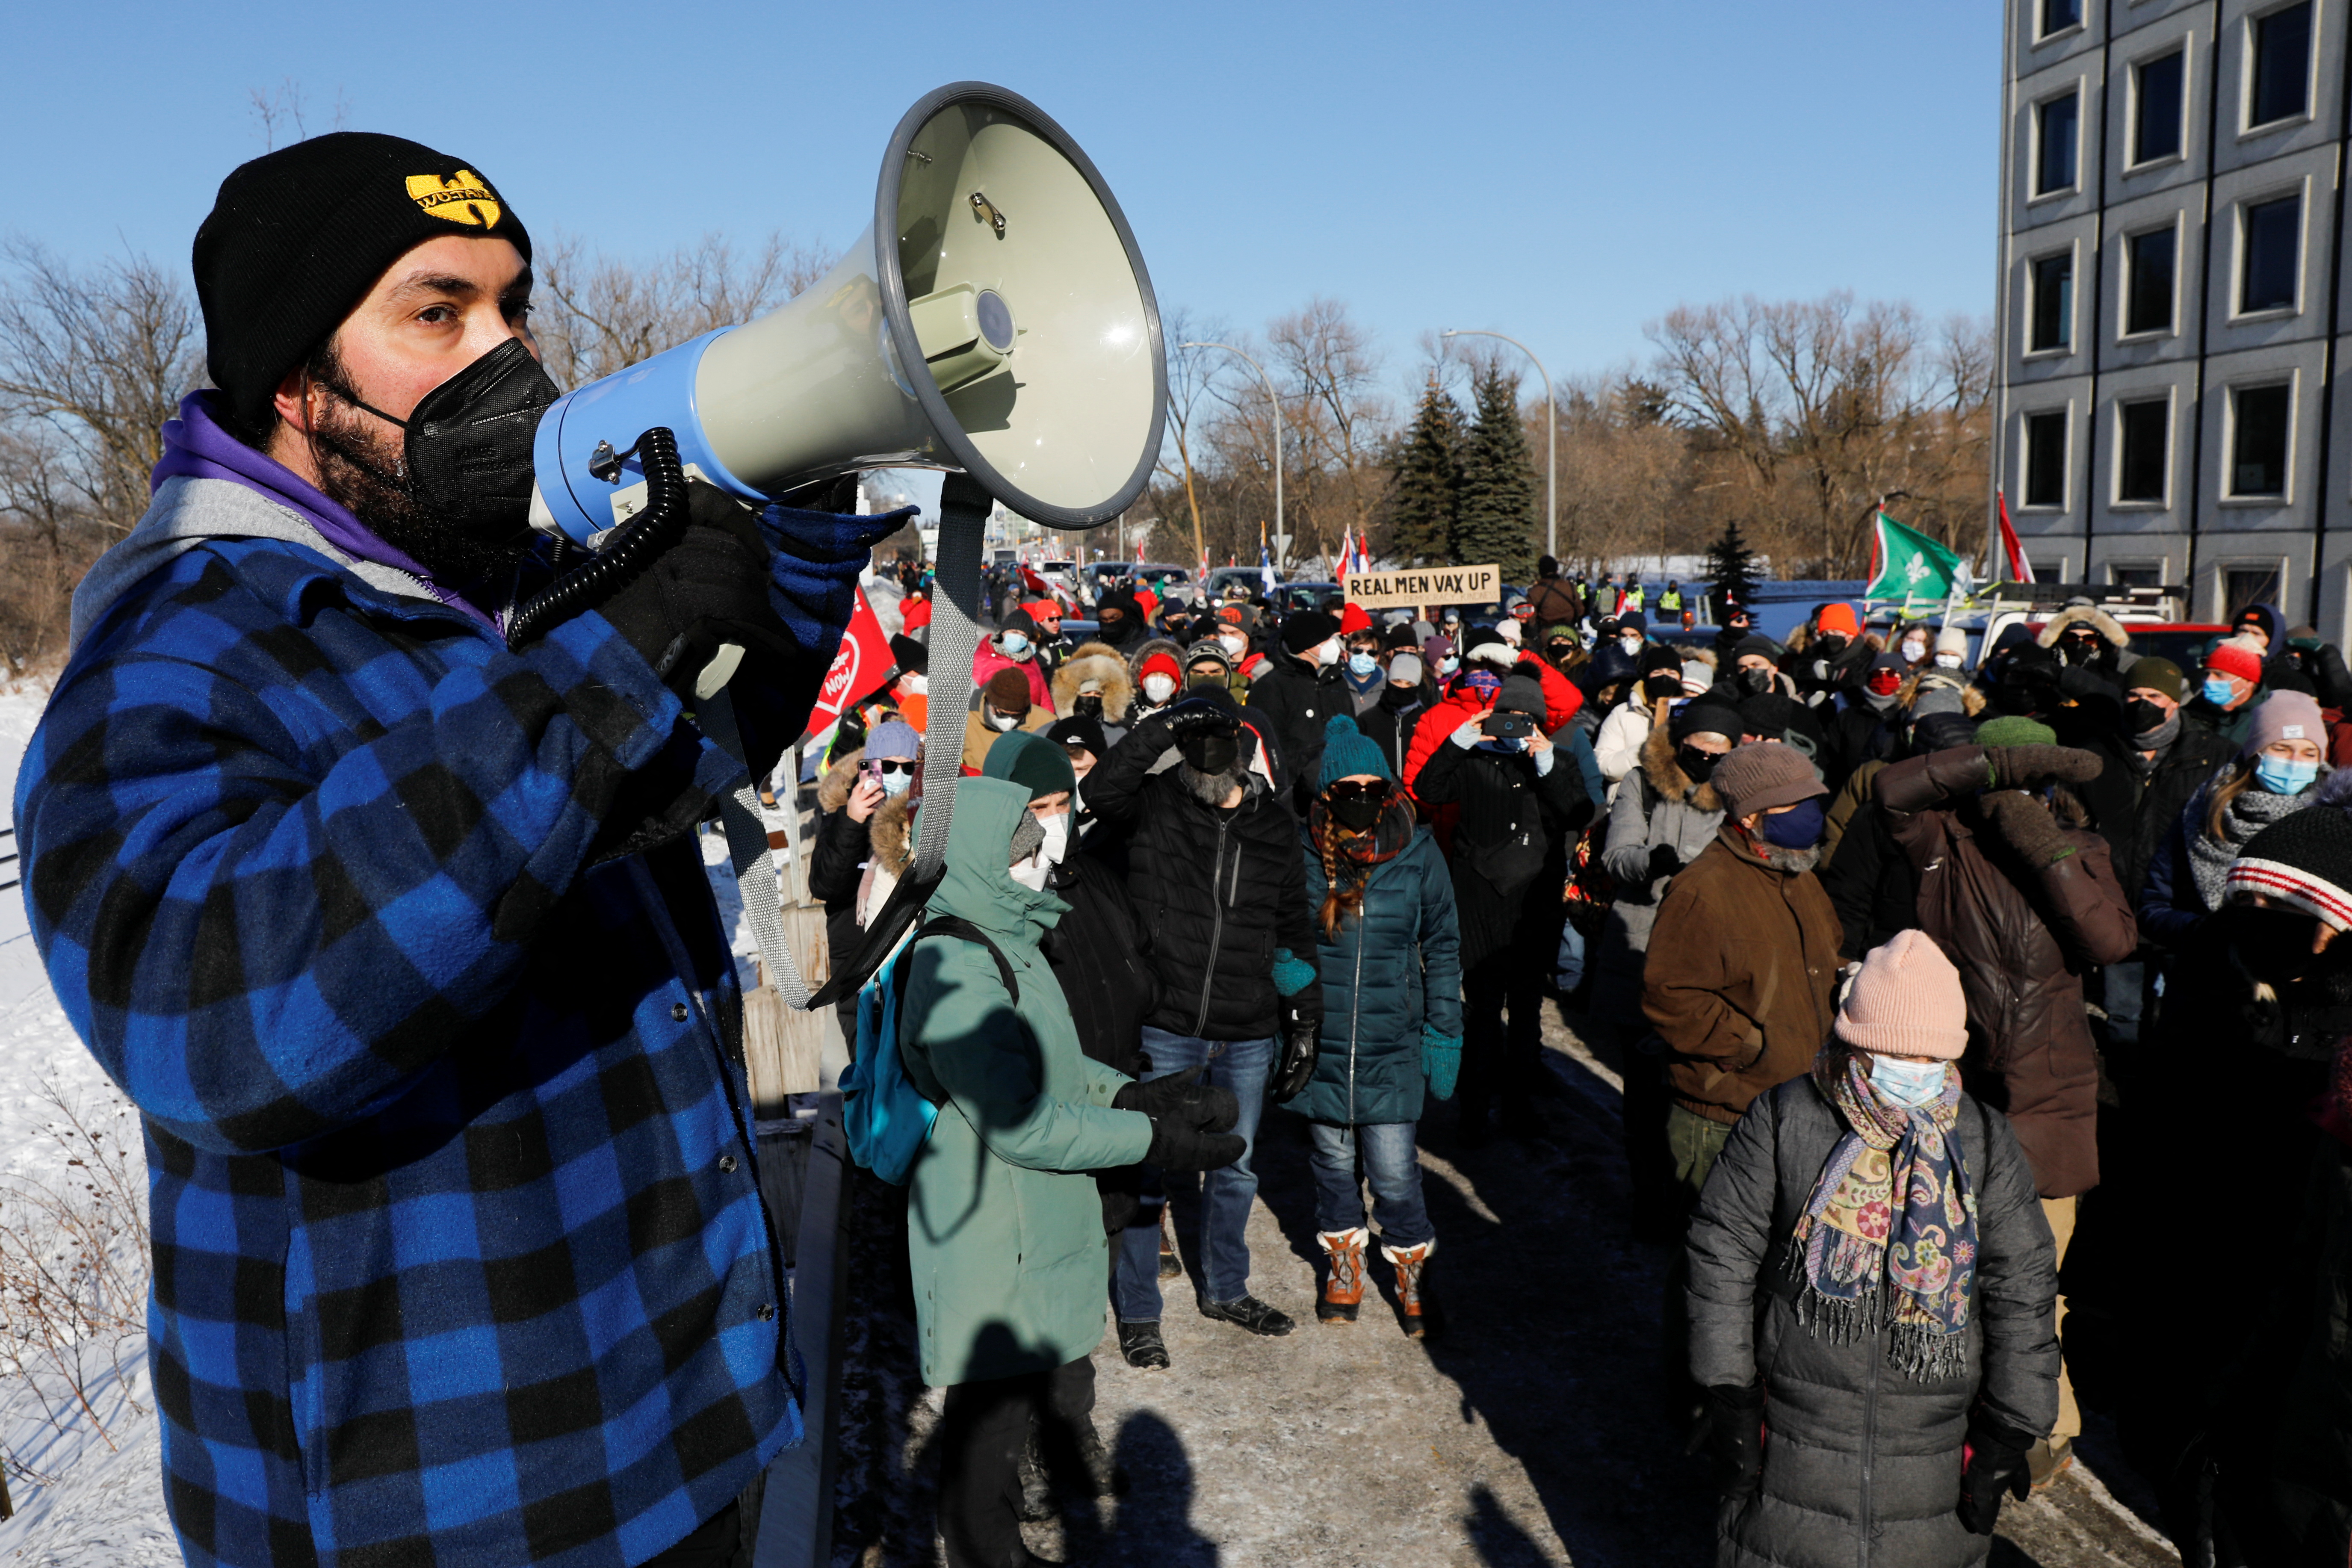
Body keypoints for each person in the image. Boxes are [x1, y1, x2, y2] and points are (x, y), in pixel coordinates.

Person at [15, 134, 919, 1565]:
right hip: (455, 1498)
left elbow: (675, 769)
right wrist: (586, 670)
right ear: (296, 383)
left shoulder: (490, 598)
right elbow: (219, 1020)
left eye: (515, 309)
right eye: (438, 313)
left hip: (676, 1429)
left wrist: (787, 526)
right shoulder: (176, 654)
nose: (505, 355)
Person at [900, 765, 1243, 1568]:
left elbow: (1059, 1069)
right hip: (990, 1222)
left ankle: (998, 1545)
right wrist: (1150, 1140)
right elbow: (1022, 1120)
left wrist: (1142, 1097)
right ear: (983, 859)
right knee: (987, 1417)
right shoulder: (954, 965)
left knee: (1011, 1404)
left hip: (1024, 1214)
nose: (1040, 859)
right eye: (1022, 848)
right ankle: (987, 1556)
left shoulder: (1008, 942)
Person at [1687, 931, 2060, 1565]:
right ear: (1856, 1041)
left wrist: (2012, 1422)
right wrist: (1728, 1391)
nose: (1910, 1071)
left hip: (1934, 1460)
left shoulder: (1985, 1139)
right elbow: (1721, 1252)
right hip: (1795, 1438)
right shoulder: (1786, 1117)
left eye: (1927, 1058)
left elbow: (2023, 1285)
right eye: (1892, 1052)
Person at [1875, 718, 2137, 1480]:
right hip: (1951, 1094)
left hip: (2049, 1103)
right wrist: (1993, 767)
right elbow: (1892, 789)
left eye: (2028, 780)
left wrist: (2042, 842)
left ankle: (2043, 1430)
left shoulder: (2082, 852)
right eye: (2000, 777)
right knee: (1939, 1274)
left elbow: (2111, 944)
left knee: (2031, 1285)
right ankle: (1943, 1414)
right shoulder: (1943, 848)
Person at [1083, 693, 1324, 1360]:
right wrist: (1161, 726)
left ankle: (1225, 1286)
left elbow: (1294, 928)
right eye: (1190, 755)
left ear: (1244, 758)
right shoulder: (1157, 803)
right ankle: (1138, 1311)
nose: (1199, 770)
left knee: (1236, 1167)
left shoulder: (1274, 824)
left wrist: (1305, 1017)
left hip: (1247, 1026)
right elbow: (1103, 790)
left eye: (1212, 754)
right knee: (1149, 1162)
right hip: (1167, 1021)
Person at [1296, 717, 1463, 1337]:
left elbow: (1443, 945)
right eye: (1348, 785)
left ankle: (1411, 1267)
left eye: (1374, 783)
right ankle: (1344, 1261)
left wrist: (1445, 1030)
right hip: (1323, 1041)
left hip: (1393, 1041)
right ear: (1326, 794)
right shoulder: (1305, 853)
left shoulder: (1419, 853)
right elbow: (1280, 935)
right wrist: (1286, 983)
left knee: (1395, 1172)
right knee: (1332, 1166)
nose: (1362, 795)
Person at [1643, 741, 1841, 1202]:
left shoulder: (1801, 876)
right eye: (1796, 805)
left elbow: (1823, 955)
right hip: (1724, 1118)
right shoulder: (1702, 890)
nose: (1811, 815)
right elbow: (1670, 996)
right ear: (1750, 816)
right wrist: (1752, 1046)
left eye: (1814, 802)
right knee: (1709, 1265)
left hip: (1801, 1101)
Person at [1414, 673, 1600, 1141]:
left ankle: (1519, 1105)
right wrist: (1461, 739)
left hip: (1533, 903)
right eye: (1509, 718)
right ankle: (1473, 1109)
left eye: (1528, 720)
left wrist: (1544, 763)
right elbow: (1429, 789)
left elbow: (1578, 812)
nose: (1517, 727)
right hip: (1479, 898)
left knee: (1525, 1008)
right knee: (1480, 1009)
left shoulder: (1555, 761)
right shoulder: (1473, 759)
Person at [1596, 699, 1739, 1236]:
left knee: (1699, 1085)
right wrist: (1650, 862)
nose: (1702, 760)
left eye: (1714, 754)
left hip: (1711, 953)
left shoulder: (1738, 787)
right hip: (1643, 944)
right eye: (1694, 751)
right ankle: (1649, 1198)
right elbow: (1618, 855)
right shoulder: (1642, 781)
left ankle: (1697, 1195)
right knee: (1643, 1094)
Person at [2140, 690, 2332, 953]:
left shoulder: (2337, 819)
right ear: (2255, 752)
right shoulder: (2204, 810)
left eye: (2309, 754)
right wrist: (2207, 930)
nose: (2294, 763)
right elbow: (2155, 906)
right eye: (2282, 749)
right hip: (2211, 976)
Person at [811, 718, 923, 1035]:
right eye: (888, 767)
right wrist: (852, 820)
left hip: (912, 952)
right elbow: (824, 885)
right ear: (869, 768)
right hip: (855, 956)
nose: (898, 776)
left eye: (908, 767)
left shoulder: (923, 815)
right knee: (866, 1054)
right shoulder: (842, 814)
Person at [1246, 608, 1347, 807]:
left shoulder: (1337, 681)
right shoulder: (1271, 687)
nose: (1334, 645)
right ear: (1308, 645)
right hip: (1294, 796)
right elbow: (1270, 749)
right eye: (1327, 640)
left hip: (1340, 790)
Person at [1357, 648, 1434, 782]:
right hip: (1379, 792)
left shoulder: (1426, 719)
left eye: (1409, 683)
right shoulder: (1367, 720)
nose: (1402, 687)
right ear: (1389, 681)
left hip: (1418, 793)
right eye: (1397, 681)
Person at [963, 665, 1055, 774]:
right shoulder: (965, 723)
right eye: (1002, 714)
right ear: (989, 702)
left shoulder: (1046, 723)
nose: (1010, 721)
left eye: (1017, 715)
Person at [1049, 639, 1135, 744]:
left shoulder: (1118, 735)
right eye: (1086, 693)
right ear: (1072, 696)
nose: (1092, 698)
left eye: (1098, 694)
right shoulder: (1052, 731)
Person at [2188, 635, 2267, 745]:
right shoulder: (2192, 712)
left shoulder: (2267, 718)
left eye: (2219, 675)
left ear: (2249, 682)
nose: (2209, 680)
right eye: (2207, 674)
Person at [1526, 553, 1584, 629]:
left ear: (1541, 572)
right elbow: (1580, 611)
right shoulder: (1571, 587)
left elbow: (1531, 619)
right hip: (1569, 632)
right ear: (1557, 570)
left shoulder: (1535, 592)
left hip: (1546, 633)